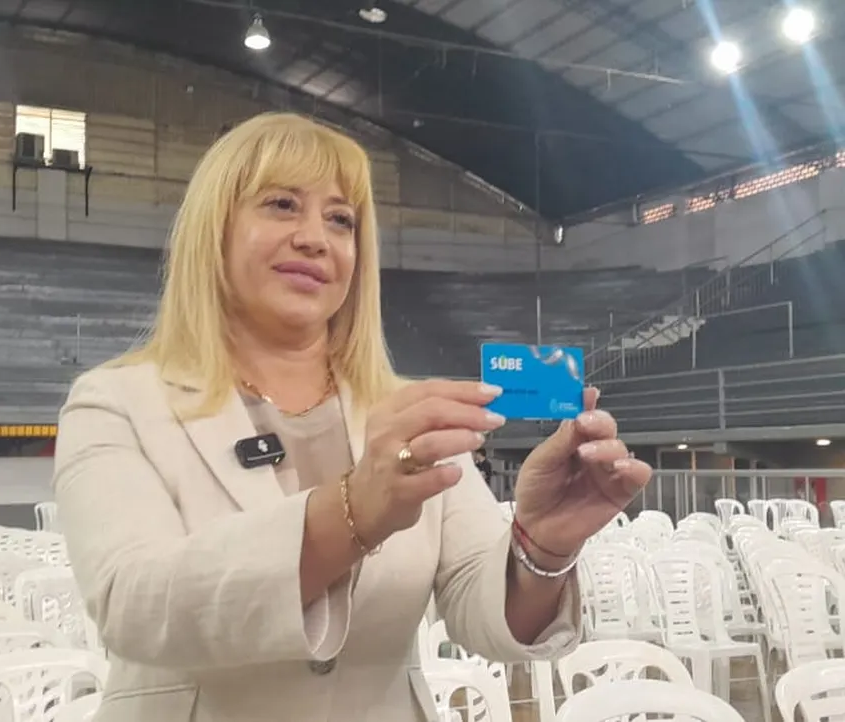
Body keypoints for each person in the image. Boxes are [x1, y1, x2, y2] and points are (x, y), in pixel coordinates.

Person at [53, 112, 651, 721]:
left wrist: (540, 546)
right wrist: (353, 511)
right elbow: (132, 605)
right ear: (215, 229)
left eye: (340, 219)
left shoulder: (406, 414)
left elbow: (479, 612)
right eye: (282, 205)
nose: (315, 238)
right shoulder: (116, 403)